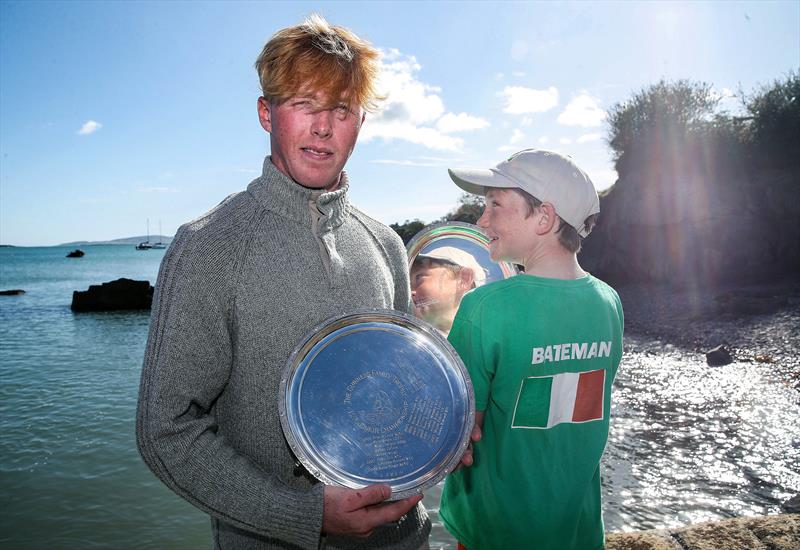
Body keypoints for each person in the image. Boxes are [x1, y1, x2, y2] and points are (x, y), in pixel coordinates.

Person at [136, 15, 431, 550]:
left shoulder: (386, 244)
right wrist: (302, 514)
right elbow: (166, 433)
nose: (323, 127)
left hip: (403, 539)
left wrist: (443, 430)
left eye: (341, 109)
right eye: (304, 104)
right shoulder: (207, 248)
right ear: (265, 113)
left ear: (360, 122)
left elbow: (399, 389)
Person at [438, 149, 624, 550]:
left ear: (544, 218)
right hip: (578, 529)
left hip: (496, 534)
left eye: (495, 205)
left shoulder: (484, 307)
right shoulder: (609, 301)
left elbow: (458, 427)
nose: (481, 220)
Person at [410, 247, 485, 335]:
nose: (410, 292)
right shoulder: (408, 339)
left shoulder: (481, 343)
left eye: (419, 277)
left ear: (464, 279)